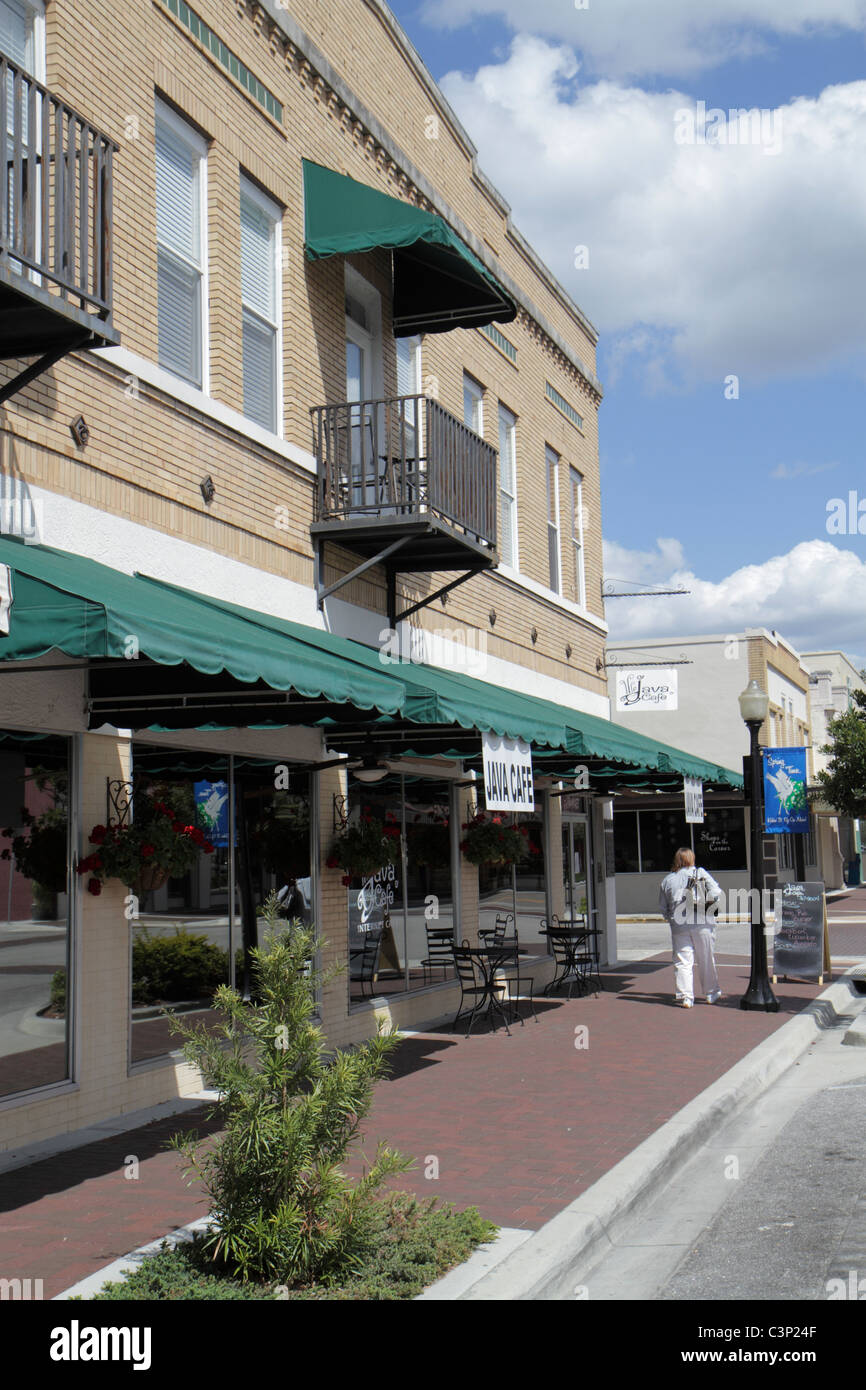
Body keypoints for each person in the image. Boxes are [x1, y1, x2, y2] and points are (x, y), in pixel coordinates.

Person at [658, 847, 723, 1008]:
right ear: (691, 859)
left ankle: (686, 996)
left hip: (679, 925)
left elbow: (663, 906)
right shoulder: (700, 873)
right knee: (705, 958)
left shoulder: (668, 880)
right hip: (702, 921)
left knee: (682, 961)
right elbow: (716, 891)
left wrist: (671, 917)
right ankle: (710, 992)